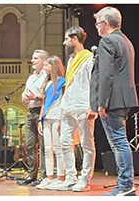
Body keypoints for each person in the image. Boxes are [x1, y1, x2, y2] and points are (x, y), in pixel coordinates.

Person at [86, 6, 138, 196]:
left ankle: (126, 186)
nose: (96, 27)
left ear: (106, 24)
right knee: (120, 141)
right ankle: (126, 185)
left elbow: (106, 75)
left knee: (118, 143)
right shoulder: (125, 40)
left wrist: (102, 102)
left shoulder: (107, 41)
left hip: (112, 100)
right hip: (124, 98)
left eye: (98, 23)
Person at [51, 27, 96, 192]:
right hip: (68, 105)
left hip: (83, 105)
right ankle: (70, 177)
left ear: (74, 39)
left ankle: (85, 179)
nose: (64, 42)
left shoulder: (89, 59)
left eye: (66, 39)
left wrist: (93, 106)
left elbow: (93, 83)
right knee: (64, 143)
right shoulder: (71, 60)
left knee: (86, 143)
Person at [18, 49, 49, 186]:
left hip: (42, 112)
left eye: (35, 58)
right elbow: (26, 94)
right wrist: (24, 98)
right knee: (30, 145)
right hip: (30, 112)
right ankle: (32, 174)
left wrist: (34, 97)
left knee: (43, 145)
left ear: (43, 61)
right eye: (33, 58)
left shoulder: (46, 76)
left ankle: (43, 175)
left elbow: (49, 97)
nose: (32, 61)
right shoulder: (31, 77)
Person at [36, 56, 67, 190]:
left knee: (58, 148)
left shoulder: (62, 82)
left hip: (57, 117)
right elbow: (44, 103)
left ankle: (60, 176)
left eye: (46, 65)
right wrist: (39, 120)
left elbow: (64, 100)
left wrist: (61, 118)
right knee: (48, 149)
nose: (44, 68)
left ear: (53, 66)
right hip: (46, 118)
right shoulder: (47, 83)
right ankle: (49, 177)